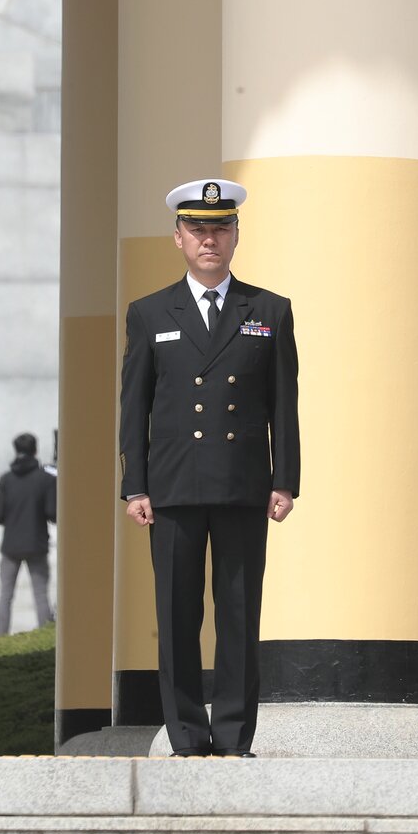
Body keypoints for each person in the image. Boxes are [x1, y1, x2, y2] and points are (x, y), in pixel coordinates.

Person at [119, 178, 299, 758]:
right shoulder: (149, 313)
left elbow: (283, 403)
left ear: (237, 235)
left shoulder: (269, 309)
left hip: (243, 484)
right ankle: (187, 734)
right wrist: (134, 485)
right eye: (198, 229)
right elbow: (134, 405)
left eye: (220, 228)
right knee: (175, 615)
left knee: (240, 615)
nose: (210, 240)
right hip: (172, 486)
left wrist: (285, 479)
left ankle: (235, 734)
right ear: (178, 238)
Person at [0, 432, 56, 636]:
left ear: (16, 450)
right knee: (40, 594)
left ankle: (1, 637)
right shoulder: (45, 479)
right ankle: (45, 636)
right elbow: (52, 513)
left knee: (5, 595)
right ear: (35, 450)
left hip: (10, 545)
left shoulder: (6, 479)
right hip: (36, 544)